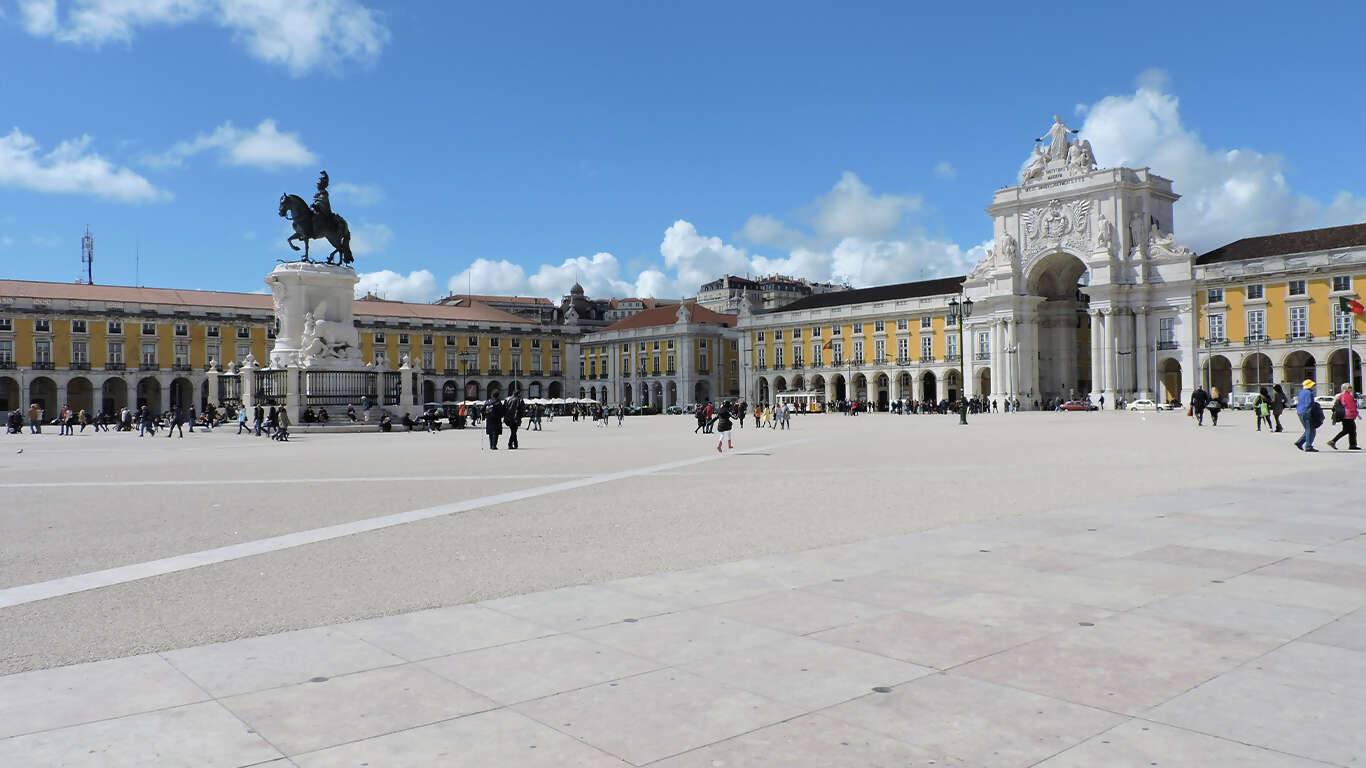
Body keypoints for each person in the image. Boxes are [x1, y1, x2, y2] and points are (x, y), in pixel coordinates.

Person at [1327, 383, 1360, 450]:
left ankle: (1352, 445)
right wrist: (1356, 413)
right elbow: (1351, 406)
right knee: (1347, 430)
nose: (1351, 389)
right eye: (1349, 387)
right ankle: (1333, 441)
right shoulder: (1347, 396)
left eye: (1351, 387)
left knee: (1352, 431)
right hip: (1348, 415)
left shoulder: (1341, 396)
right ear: (1345, 388)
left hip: (1344, 415)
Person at [1294, 379, 1321, 452]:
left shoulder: (1301, 392)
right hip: (1307, 412)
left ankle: (1300, 442)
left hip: (1300, 412)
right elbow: (1309, 403)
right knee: (1311, 430)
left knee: (1309, 429)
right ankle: (1308, 446)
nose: (1313, 387)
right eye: (1312, 385)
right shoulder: (1309, 393)